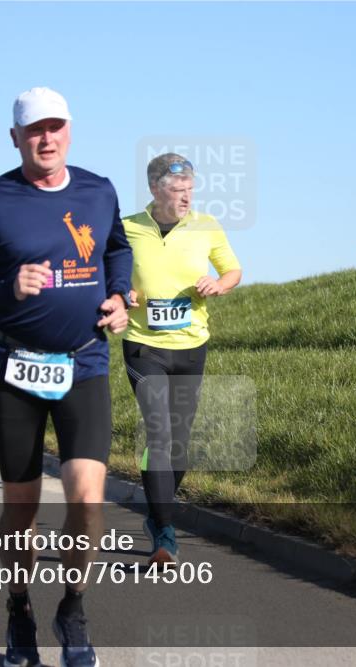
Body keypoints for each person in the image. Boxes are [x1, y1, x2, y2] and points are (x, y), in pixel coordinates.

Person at [0, 86, 132, 667]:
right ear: (16, 138)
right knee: (21, 506)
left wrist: (120, 295)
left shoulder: (99, 191)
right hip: (13, 368)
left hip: (84, 361)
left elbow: (117, 250)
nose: (46, 138)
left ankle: (72, 608)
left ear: (69, 131)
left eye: (55, 127)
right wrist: (6, 288)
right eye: (34, 130)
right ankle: (19, 608)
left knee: (88, 500)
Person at [122, 153, 242, 566]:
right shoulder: (127, 228)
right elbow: (105, 273)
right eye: (177, 190)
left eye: (190, 189)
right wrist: (120, 291)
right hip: (144, 345)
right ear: (155, 189)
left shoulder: (206, 225)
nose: (186, 197)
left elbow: (233, 270)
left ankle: (157, 512)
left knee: (179, 442)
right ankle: (165, 532)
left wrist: (219, 284)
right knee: (159, 433)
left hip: (191, 346)